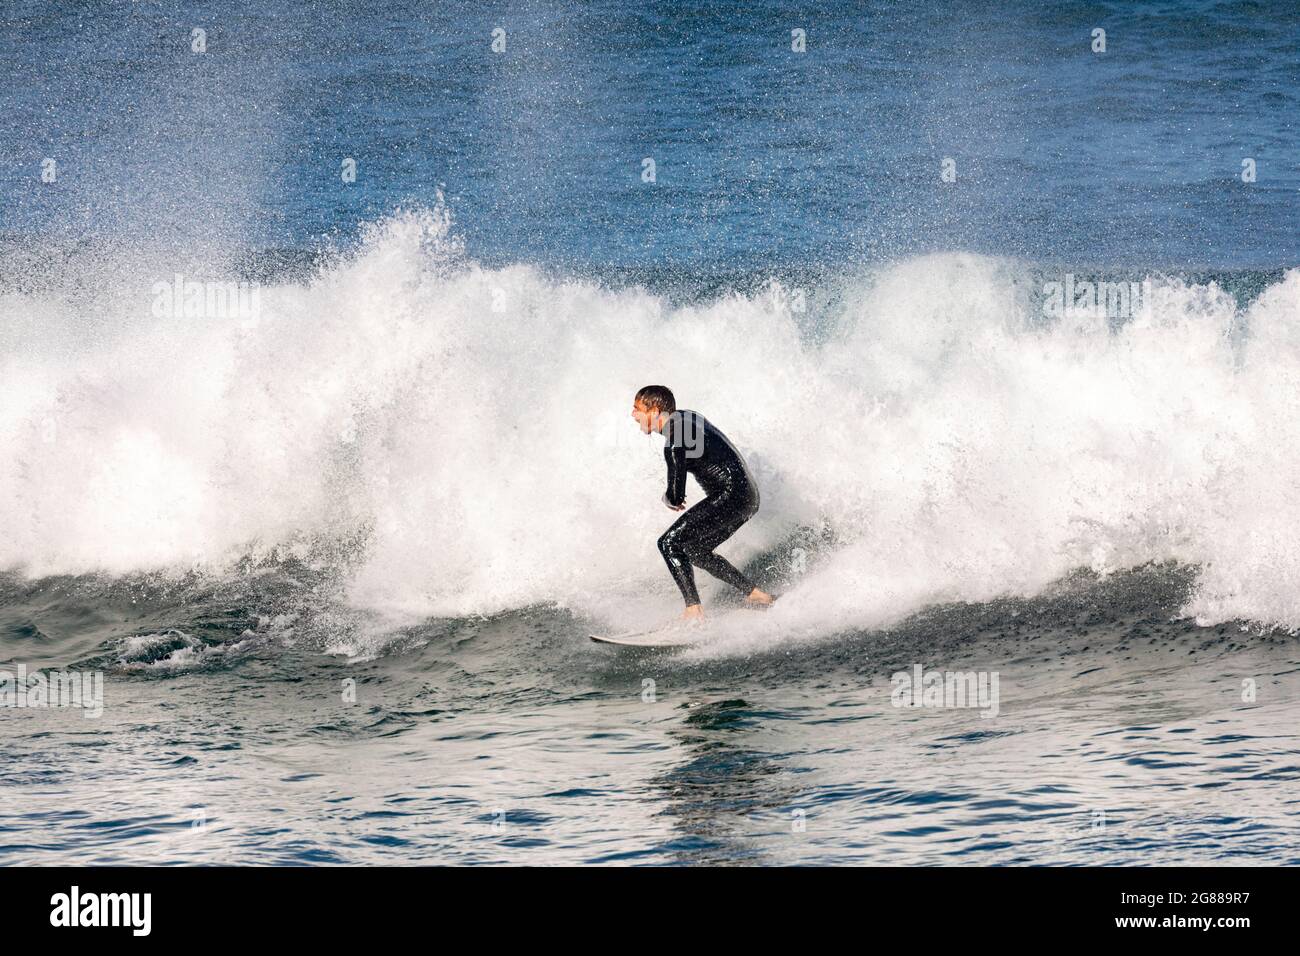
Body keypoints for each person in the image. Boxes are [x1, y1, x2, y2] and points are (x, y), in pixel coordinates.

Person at [631, 385, 775, 619]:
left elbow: (676, 497)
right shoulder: (688, 416)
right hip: (748, 496)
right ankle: (756, 595)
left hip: (731, 496)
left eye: (637, 409)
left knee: (669, 544)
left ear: (655, 411)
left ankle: (693, 611)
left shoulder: (675, 442)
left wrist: (666, 498)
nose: (633, 415)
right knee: (695, 549)